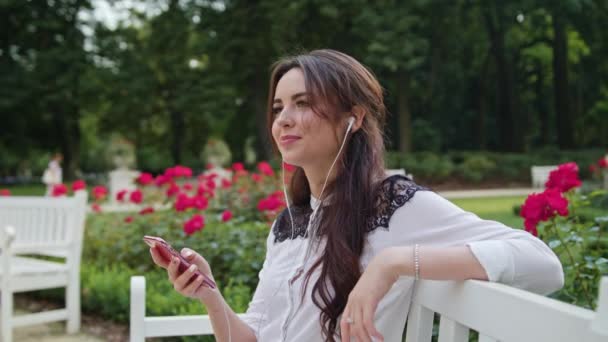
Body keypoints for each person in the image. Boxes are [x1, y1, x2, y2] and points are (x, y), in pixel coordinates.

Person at [149, 50, 564, 342]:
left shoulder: (391, 205)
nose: (284, 120)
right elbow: (253, 336)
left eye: (303, 103)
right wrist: (209, 294)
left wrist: (393, 263)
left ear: (354, 117)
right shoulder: (289, 224)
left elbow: (544, 264)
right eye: (278, 108)